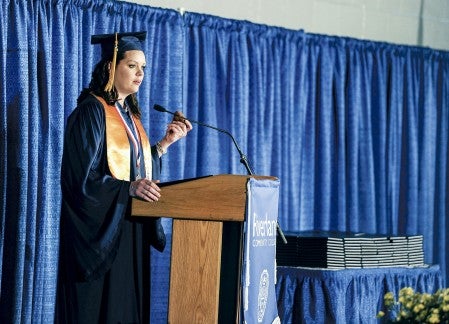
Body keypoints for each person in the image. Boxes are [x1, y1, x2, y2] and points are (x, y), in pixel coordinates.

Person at [55, 31, 192, 323]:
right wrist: (128, 189)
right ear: (110, 67)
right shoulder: (91, 112)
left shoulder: (130, 117)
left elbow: (134, 172)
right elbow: (77, 179)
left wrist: (162, 146)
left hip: (130, 231)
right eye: (132, 65)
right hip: (101, 238)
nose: (140, 73)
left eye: (143, 67)